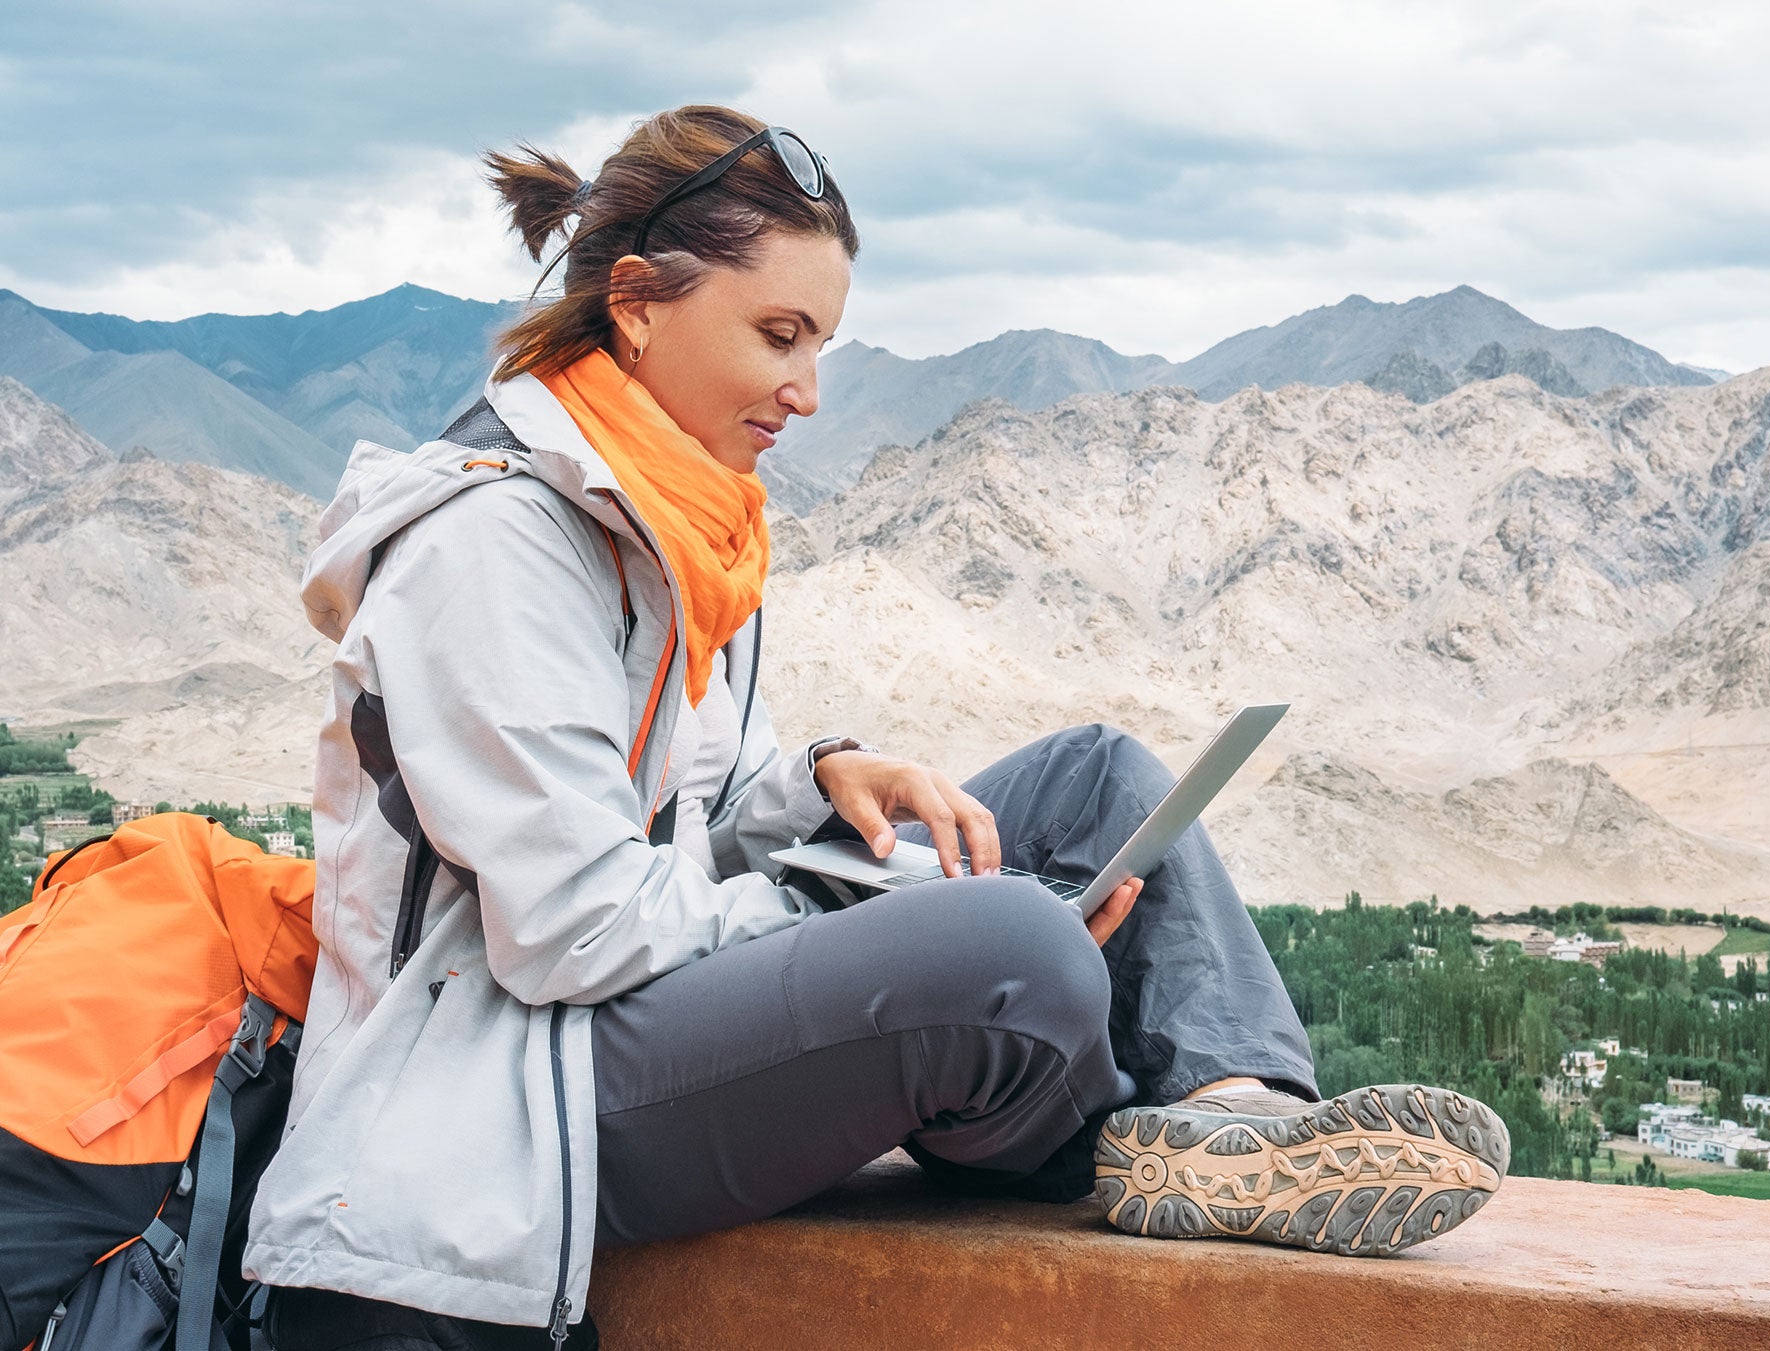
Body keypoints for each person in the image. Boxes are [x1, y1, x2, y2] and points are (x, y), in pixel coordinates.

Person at [243, 105, 1507, 1350]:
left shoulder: (684, 523)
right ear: (636, 301)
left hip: (617, 1018)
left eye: (822, 343)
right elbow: (576, 929)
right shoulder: (498, 544)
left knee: (1096, 778)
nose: (805, 389)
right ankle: (1110, 1126)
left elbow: (712, 805)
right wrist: (867, 911)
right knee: (1012, 950)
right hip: (515, 1089)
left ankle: (1234, 1128)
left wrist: (828, 779)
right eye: (779, 334)